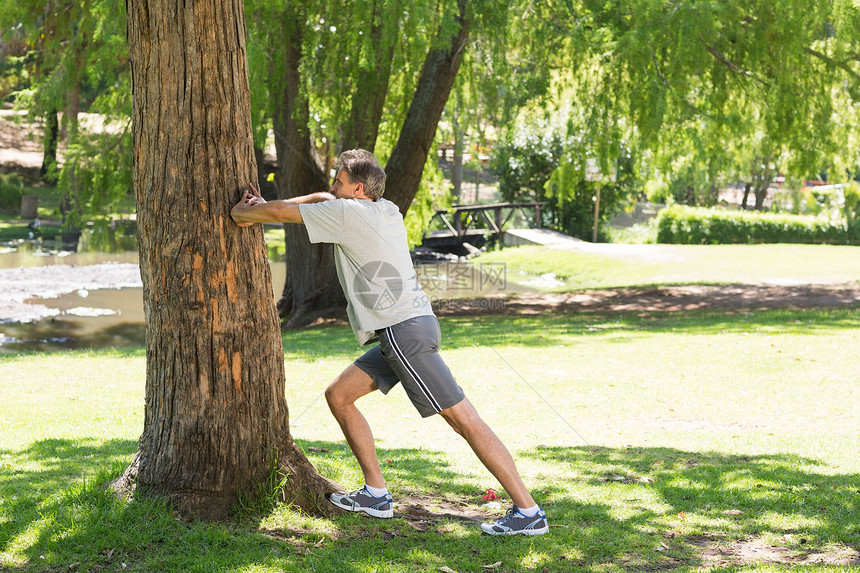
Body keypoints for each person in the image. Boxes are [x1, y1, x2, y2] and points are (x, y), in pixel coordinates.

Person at [231, 149, 548, 536]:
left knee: (463, 419)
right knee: (339, 395)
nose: (332, 186)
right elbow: (320, 199)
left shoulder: (347, 214)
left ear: (357, 188)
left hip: (403, 334)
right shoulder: (387, 209)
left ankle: (528, 512)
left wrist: (244, 213)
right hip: (413, 327)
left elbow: (284, 215)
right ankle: (376, 495)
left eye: (339, 181)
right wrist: (268, 202)